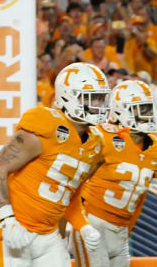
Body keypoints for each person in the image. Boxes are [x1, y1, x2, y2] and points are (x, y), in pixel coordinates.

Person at [0, 63, 109, 266]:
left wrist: (82, 225)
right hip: (13, 225)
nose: (97, 104)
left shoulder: (95, 143)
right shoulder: (47, 124)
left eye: (100, 98)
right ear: (68, 96)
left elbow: (71, 193)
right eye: (90, 97)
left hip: (48, 234)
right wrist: (7, 220)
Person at [68, 80, 157, 267]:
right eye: (141, 109)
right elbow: (74, 179)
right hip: (93, 223)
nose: (147, 115)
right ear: (120, 111)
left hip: (121, 231)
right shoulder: (105, 138)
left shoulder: (154, 147)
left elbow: (140, 193)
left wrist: (128, 228)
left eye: (149, 109)